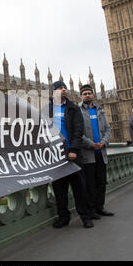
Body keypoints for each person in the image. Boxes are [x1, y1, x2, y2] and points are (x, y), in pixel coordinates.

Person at [46, 81, 94, 228]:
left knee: (79, 187)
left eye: (65, 87)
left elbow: (78, 130)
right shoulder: (46, 110)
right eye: (61, 88)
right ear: (54, 91)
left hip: (72, 153)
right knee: (59, 189)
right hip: (56, 154)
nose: (64, 89)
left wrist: (73, 149)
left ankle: (85, 216)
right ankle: (63, 217)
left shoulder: (73, 108)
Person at [78, 84, 114, 217]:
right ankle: (91, 209)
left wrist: (103, 142)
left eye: (89, 93)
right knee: (90, 184)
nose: (87, 95)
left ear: (93, 94)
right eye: (85, 93)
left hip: (101, 152)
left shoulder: (100, 110)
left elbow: (108, 129)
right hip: (88, 153)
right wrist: (91, 144)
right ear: (81, 96)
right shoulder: (78, 110)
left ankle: (100, 207)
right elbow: (78, 132)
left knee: (101, 182)